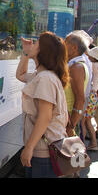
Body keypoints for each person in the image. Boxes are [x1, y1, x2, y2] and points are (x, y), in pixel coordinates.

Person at [16, 32, 69, 178]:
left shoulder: (45, 78)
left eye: (37, 42)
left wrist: (29, 148)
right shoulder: (42, 75)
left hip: (43, 152)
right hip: (42, 149)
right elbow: (20, 75)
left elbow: (45, 117)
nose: (33, 44)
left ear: (43, 50)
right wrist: (26, 53)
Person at [64, 31, 93, 141]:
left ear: (74, 48)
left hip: (67, 120)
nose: (63, 44)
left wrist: (71, 126)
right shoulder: (73, 64)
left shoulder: (76, 67)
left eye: (66, 42)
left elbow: (80, 99)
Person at [84, 46, 98, 151]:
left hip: (89, 95)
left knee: (83, 122)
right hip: (93, 96)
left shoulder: (91, 64)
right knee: (87, 121)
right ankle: (93, 143)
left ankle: (83, 144)